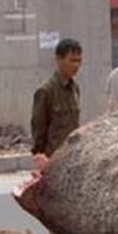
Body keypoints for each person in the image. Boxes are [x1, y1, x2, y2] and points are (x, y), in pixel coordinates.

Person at [31, 38, 82, 167]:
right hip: (53, 161)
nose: (76, 65)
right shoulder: (46, 91)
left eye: (79, 61)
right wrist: (39, 155)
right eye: (72, 60)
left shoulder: (74, 89)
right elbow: (38, 129)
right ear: (59, 60)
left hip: (72, 158)